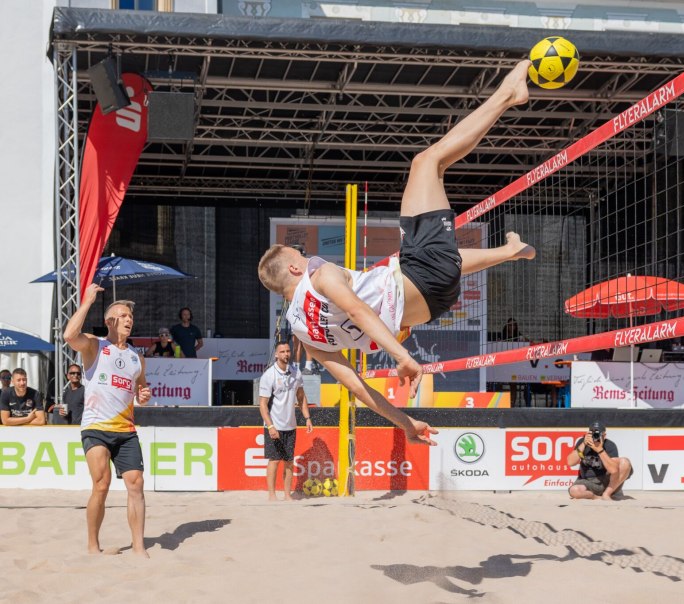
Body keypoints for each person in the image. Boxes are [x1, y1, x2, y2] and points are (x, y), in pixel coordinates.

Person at [258, 61, 536, 445]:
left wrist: (405, 422)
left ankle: (510, 250)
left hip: (431, 298)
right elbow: (359, 311)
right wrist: (403, 357)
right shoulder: (318, 275)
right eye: (299, 253)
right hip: (421, 278)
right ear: (292, 267)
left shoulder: (304, 333)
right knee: (427, 162)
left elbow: (357, 389)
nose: (306, 255)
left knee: (422, 239)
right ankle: (508, 94)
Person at [64, 284, 152, 557]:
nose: (129, 320)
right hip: (96, 427)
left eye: (131, 317)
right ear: (110, 321)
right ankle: (93, 545)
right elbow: (69, 335)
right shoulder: (94, 345)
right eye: (123, 316)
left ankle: (139, 547)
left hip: (126, 429)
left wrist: (144, 395)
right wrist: (88, 300)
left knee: (136, 483)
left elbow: (141, 389)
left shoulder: (137, 358)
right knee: (101, 484)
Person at [258, 341, 312, 501]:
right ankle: (272, 495)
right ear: (276, 354)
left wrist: (307, 418)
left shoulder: (296, 373)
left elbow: (301, 397)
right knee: (274, 460)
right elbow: (262, 405)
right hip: (274, 424)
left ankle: (287, 495)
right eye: (282, 351)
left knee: (289, 461)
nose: (286, 354)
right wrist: (270, 426)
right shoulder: (269, 375)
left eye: (288, 351)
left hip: (290, 424)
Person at [566, 421, 633, 501]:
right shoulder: (582, 443)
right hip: (586, 481)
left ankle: (607, 494)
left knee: (625, 462)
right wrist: (584, 443)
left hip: (606, 481)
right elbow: (571, 462)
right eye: (593, 434)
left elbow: (614, 470)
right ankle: (596, 497)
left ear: (604, 435)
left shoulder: (609, 445)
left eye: (597, 434)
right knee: (574, 491)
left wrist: (600, 450)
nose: (595, 436)